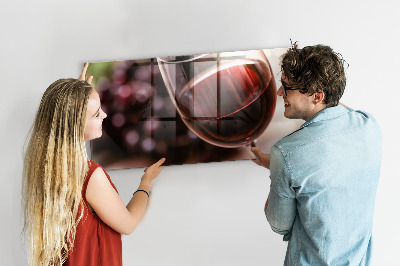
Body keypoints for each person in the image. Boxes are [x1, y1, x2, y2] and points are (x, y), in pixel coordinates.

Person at [22, 63, 165, 266]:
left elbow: (63, 119)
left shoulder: (44, 168)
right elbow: (128, 223)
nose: (105, 116)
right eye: (97, 114)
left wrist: (76, 97)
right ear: (76, 124)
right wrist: (146, 182)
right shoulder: (90, 176)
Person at [252, 44, 381, 265]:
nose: (280, 92)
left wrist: (279, 169)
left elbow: (279, 224)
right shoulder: (369, 125)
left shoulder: (286, 153)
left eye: (287, 86)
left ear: (317, 96)